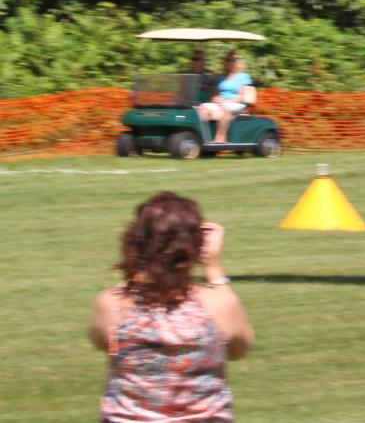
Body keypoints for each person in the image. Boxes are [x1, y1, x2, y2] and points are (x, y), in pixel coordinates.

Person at [90, 192, 253, 422]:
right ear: (195, 248)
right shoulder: (220, 304)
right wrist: (214, 269)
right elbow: (238, 350)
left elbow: (102, 343)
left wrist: (134, 263)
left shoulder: (111, 304)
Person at [197, 52, 254, 145]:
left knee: (225, 110)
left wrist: (225, 101)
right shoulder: (220, 77)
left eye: (231, 60)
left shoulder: (243, 76)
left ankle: (220, 138)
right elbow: (215, 92)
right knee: (202, 108)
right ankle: (203, 138)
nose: (228, 62)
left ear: (237, 63)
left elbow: (241, 96)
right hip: (220, 102)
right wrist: (215, 98)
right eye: (226, 60)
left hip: (236, 103)